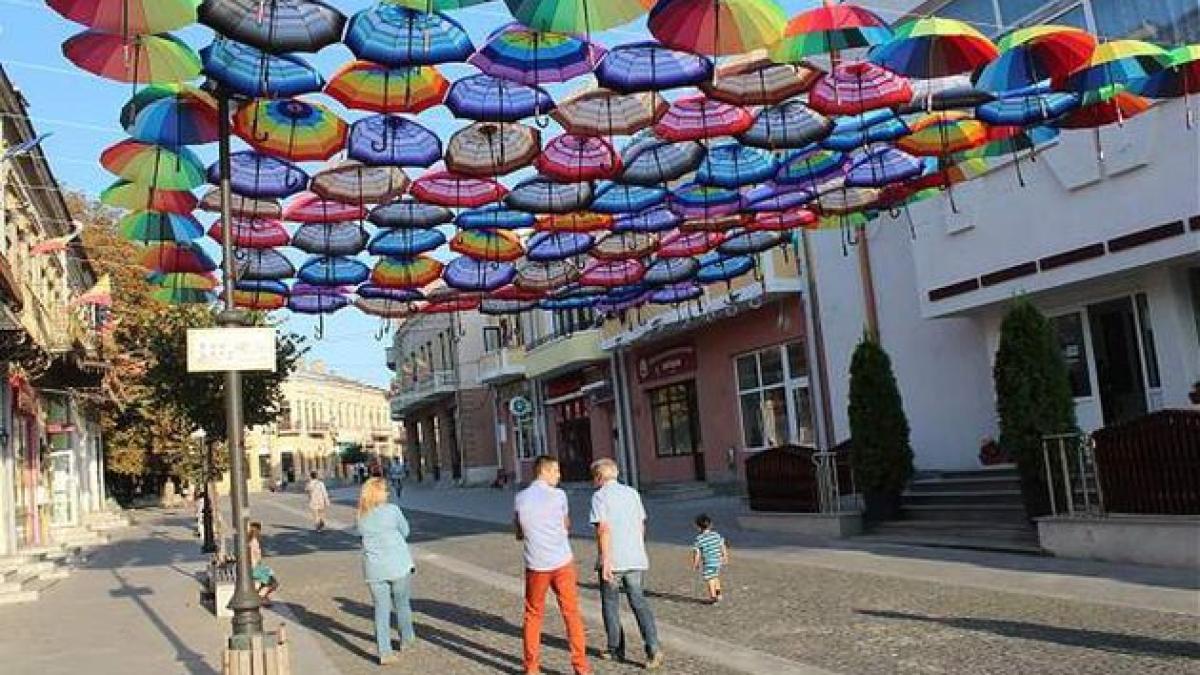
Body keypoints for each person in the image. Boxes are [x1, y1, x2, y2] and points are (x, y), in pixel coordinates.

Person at [514, 456, 590, 675]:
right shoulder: (559, 496)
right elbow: (566, 525)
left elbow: (519, 532)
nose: (559, 475)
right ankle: (581, 667)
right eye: (556, 471)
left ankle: (531, 667)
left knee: (533, 615)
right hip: (562, 561)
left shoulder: (520, 498)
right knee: (571, 613)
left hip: (536, 563)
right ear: (544, 471)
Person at [589, 458, 662, 669]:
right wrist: (637, 547)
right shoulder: (632, 493)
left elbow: (602, 529)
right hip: (635, 556)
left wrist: (606, 559)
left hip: (614, 558)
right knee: (639, 602)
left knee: (611, 605)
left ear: (599, 477)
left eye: (593, 477)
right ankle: (653, 648)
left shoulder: (599, 497)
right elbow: (641, 525)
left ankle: (615, 649)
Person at [357, 477, 417, 665]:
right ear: (378, 493)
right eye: (384, 490)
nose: (387, 493)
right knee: (402, 604)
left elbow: (361, 536)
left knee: (381, 610)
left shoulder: (361, 516)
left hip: (374, 570)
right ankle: (406, 640)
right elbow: (406, 531)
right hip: (398, 565)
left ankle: (384, 652)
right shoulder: (393, 510)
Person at [691, 513, 728, 604]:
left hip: (708, 562)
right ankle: (719, 594)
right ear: (710, 525)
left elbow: (697, 553)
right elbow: (722, 545)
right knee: (715, 577)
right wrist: (725, 556)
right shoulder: (716, 535)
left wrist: (695, 564)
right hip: (718, 560)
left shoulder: (699, 539)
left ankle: (713, 597)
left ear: (698, 527)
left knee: (710, 579)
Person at [248, 521, 279, 606]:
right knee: (273, 583)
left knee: (268, 580)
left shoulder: (249, 540)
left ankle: (262, 597)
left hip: (253, 568)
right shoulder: (254, 542)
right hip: (255, 568)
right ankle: (260, 597)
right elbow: (257, 558)